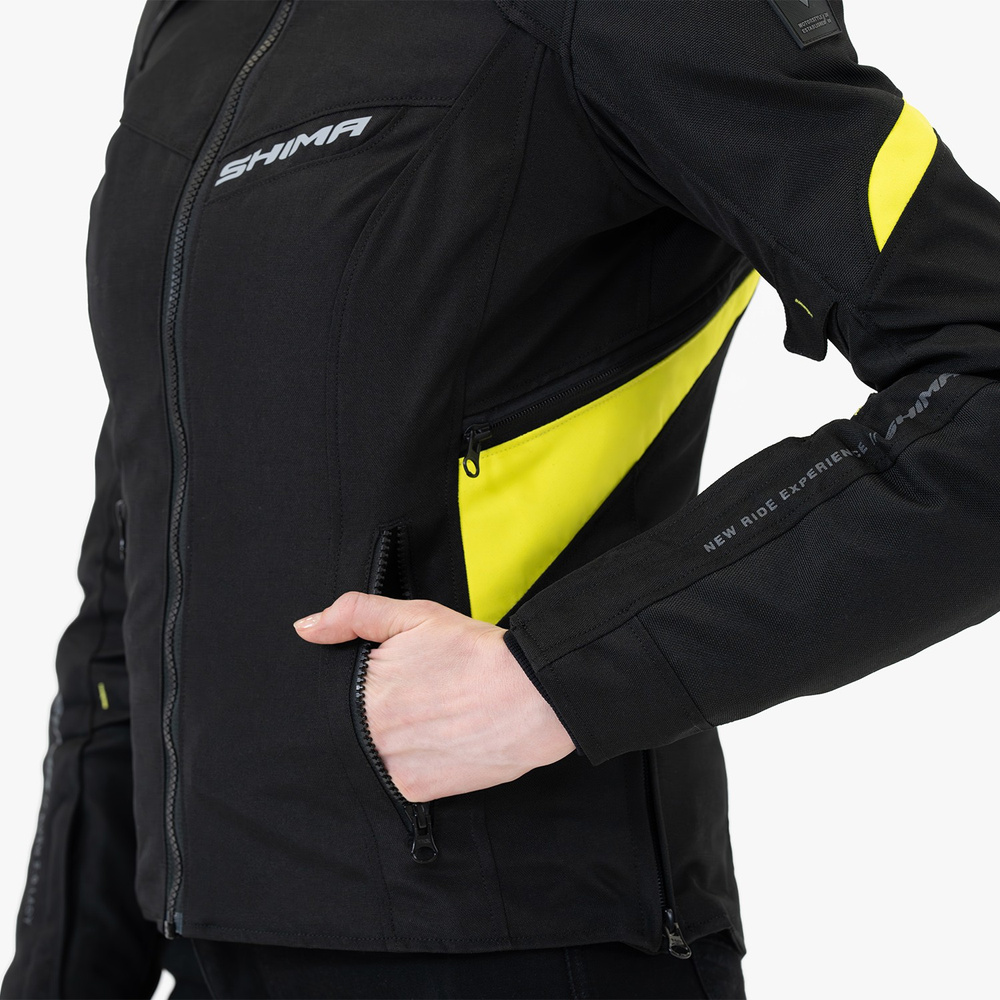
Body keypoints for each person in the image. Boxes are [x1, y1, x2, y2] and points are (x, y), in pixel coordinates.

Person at [3, 1, 998, 998]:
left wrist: (561, 673)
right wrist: (63, 964)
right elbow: (148, 516)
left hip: (519, 938)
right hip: (201, 946)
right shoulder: (195, 23)